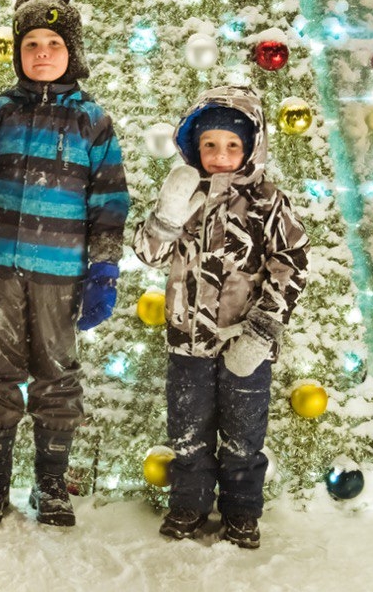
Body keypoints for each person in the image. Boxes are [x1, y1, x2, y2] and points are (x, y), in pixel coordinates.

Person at [0, 0, 130, 528]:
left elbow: (110, 201)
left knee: (57, 374)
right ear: (17, 52)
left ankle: (51, 481)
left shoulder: (93, 121)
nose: (41, 52)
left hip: (61, 274)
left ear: (72, 51)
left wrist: (104, 268)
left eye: (53, 42)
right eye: (31, 44)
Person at [132, 86, 309, 548]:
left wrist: (264, 328)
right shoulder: (185, 192)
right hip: (187, 341)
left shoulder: (268, 201)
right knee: (187, 433)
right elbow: (148, 255)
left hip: (243, 343)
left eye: (232, 145)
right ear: (194, 146)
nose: (221, 155)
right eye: (210, 144)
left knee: (243, 436)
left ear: (251, 148)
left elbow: (291, 263)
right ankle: (188, 505)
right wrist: (167, 215)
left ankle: (242, 511)